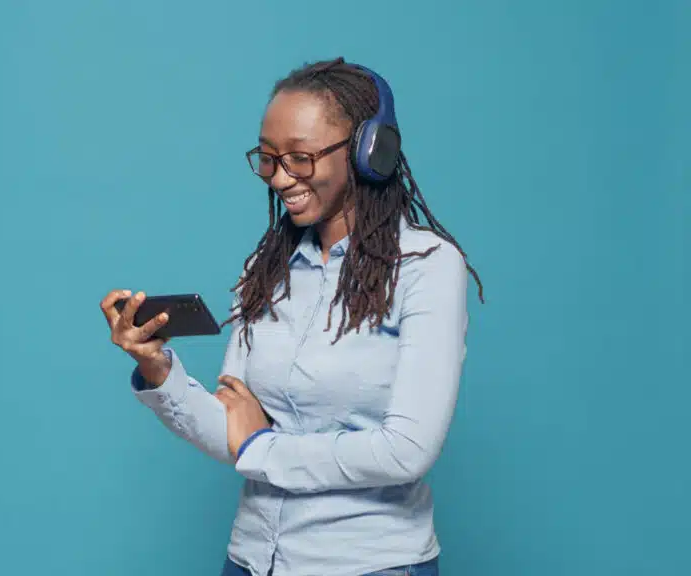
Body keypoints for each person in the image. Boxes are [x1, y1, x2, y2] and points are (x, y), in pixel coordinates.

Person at [99, 57, 483, 576]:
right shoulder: (266, 268)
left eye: (300, 158)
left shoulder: (428, 267)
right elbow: (234, 431)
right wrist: (158, 371)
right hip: (254, 560)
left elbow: (405, 451)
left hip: (367, 565)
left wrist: (264, 447)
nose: (279, 178)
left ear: (371, 152)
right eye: (267, 157)